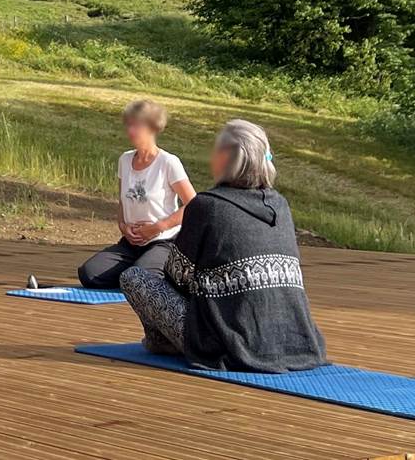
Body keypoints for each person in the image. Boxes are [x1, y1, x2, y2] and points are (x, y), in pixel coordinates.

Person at [119, 119, 327, 372]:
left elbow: (177, 278)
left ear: (227, 157)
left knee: (134, 277)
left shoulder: (206, 206)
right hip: (295, 341)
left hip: (224, 343)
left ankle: (163, 342)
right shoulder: (280, 205)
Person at [78, 99, 196, 289]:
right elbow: (122, 202)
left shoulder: (168, 162)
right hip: (130, 243)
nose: (130, 131)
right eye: (129, 125)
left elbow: (194, 204)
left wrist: (159, 226)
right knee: (89, 274)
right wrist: (123, 226)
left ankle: (162, 270)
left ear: (152, 127)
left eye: (136, 125)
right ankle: (136, 272)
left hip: (163, 241)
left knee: (140, 279)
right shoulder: (124, 160)